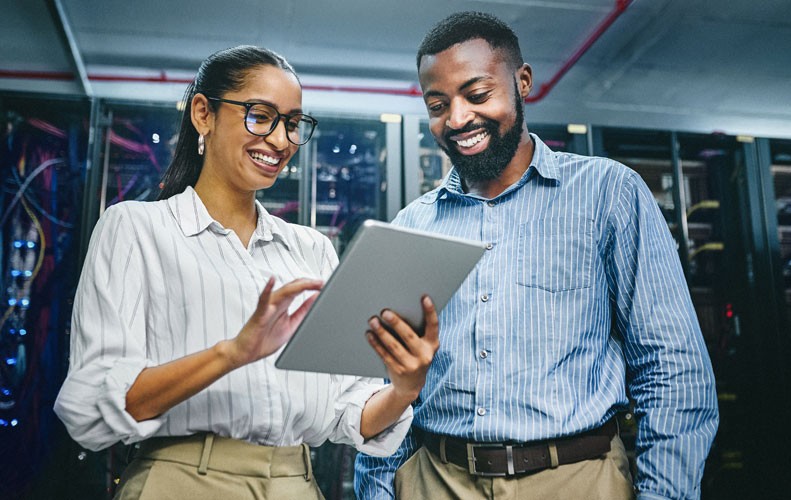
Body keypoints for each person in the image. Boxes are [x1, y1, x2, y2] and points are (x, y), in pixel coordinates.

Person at [355, 11, 718, 500]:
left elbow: (672, 370)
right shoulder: (412, 226)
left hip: (577, 479)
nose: (457, 119)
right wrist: (378, 491)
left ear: (522, 82)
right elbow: (386, 386)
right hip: (435, 480)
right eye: (438, 104)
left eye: (477, 95)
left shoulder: (608, 194)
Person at [54, 45, 439, 500]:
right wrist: (232, 353)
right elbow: (93, 406)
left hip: (297, 484)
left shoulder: (312, 249)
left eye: (293, 125)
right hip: (182, 482)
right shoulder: (136, 229)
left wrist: (403, 386)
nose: (280, 141)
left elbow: (347, 412)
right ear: (204, 113)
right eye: (261, 116)